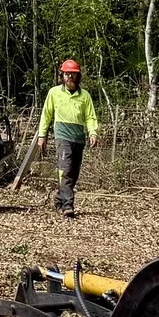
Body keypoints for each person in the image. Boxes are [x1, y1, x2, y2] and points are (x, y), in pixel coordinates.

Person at [34, 58, 101, 216]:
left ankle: (59, 198)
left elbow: (90, 117)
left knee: (74, 172)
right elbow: (46, 115)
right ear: (61, 76)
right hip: (62, 135)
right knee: (65, 169)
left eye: (72, 75)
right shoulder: (54, 93)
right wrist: (42, 135)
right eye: (66, 75)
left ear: (78, 76)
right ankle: (67, 205)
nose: (69, 78)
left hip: (78, 137)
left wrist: (93, 132)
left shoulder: (84, 96)